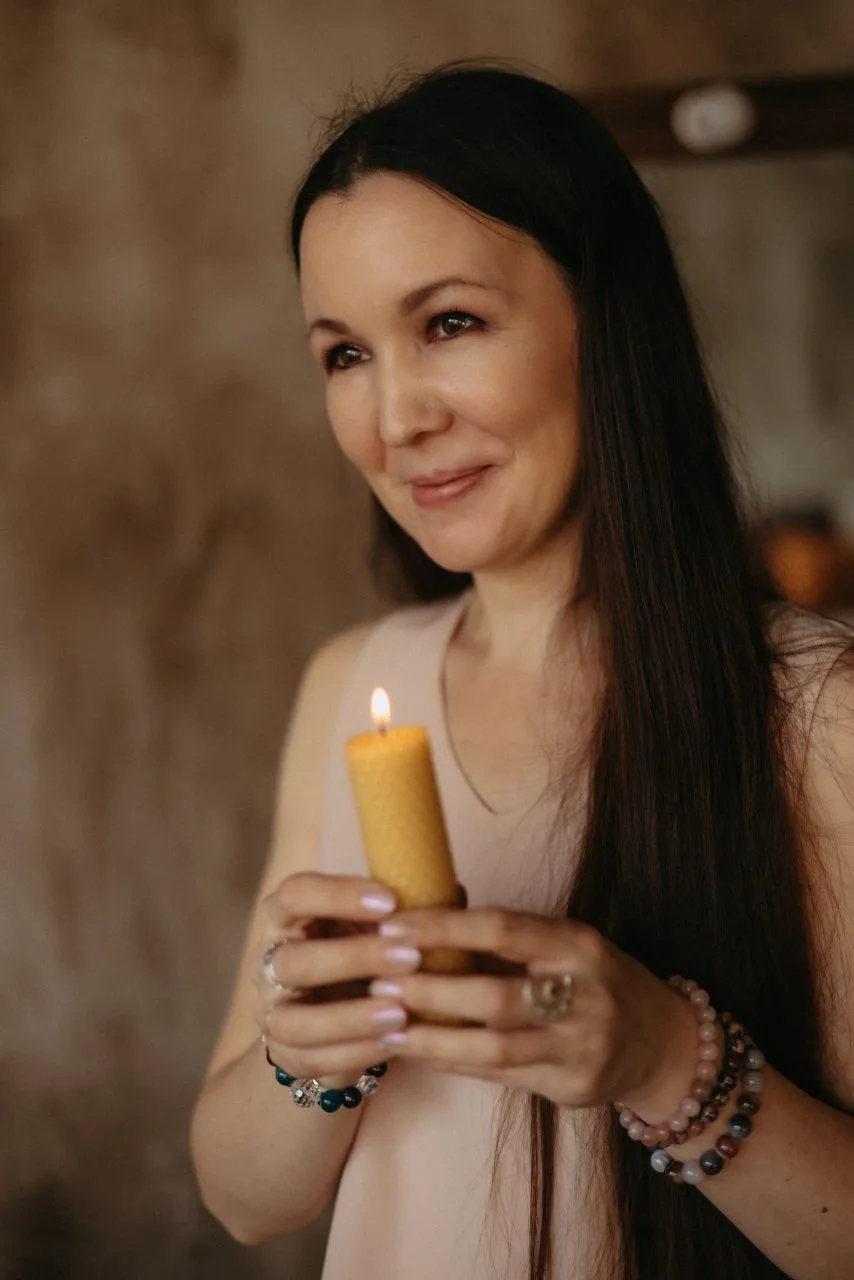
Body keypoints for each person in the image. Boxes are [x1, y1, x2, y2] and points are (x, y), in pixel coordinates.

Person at [189, 62, 854, 1280]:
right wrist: (307, 1052)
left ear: (605, 324)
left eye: (448, 323)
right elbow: (240, 1198)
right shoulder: (350, 681)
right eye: (344, 353)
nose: (396, 417)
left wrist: (665, 1060)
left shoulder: (816, 707)